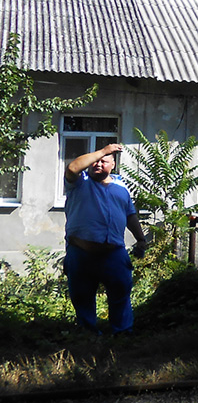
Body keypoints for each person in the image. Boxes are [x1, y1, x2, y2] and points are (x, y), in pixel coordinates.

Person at [64, 143, 148, 336]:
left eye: (104, 161)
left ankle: (122, 333)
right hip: (81, 252)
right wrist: (102, 151)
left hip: (114, 253)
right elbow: (72, 168)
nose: (98, 164)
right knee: (82, 296)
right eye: (95, 161)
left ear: (113, 165)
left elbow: (130, 215)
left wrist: (140, 239)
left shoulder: (121, 187)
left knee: (121, 294)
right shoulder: (78, 183)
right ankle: (88, 334)